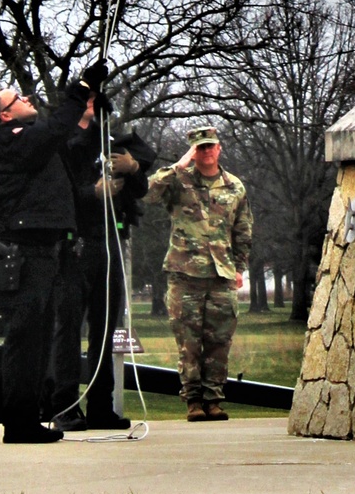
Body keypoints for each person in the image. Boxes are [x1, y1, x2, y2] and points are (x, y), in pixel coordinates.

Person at [0, 62, 107, 444]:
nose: (27, 97)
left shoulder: (34, 144)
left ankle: (29, 418)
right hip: (23, 254)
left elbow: (70, 142)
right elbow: (55, 130)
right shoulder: (11, 140)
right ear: (6, 115)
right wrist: (79, 86)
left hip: (46, 252)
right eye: (17, 98)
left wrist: (89, 110)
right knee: (24, 339)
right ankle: (18, 423)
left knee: (39, 340)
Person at [48, 128, 156, 431]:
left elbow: (140, 190)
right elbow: (58, 194)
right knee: (68, 328)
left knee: (104, 329)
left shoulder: (112, 139)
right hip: (76, 246)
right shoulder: (63, 146)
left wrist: (132, 169)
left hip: (111, 244)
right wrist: (93, 192)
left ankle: (100, 406)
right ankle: (65, 406)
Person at [145, 125, 253, 421]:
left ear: (219, 148)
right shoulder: (179, 181)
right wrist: (179, 165)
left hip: (221, 275)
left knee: (219, 342)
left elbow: (242, 230)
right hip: (185, 274)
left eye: (210, 146)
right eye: (200, 148)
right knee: (188, 343)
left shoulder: (234, 186)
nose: (206, 152)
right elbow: (149, 193)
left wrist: (240, 267)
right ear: (193, 151)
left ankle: (214, 399)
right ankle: (193, 400)